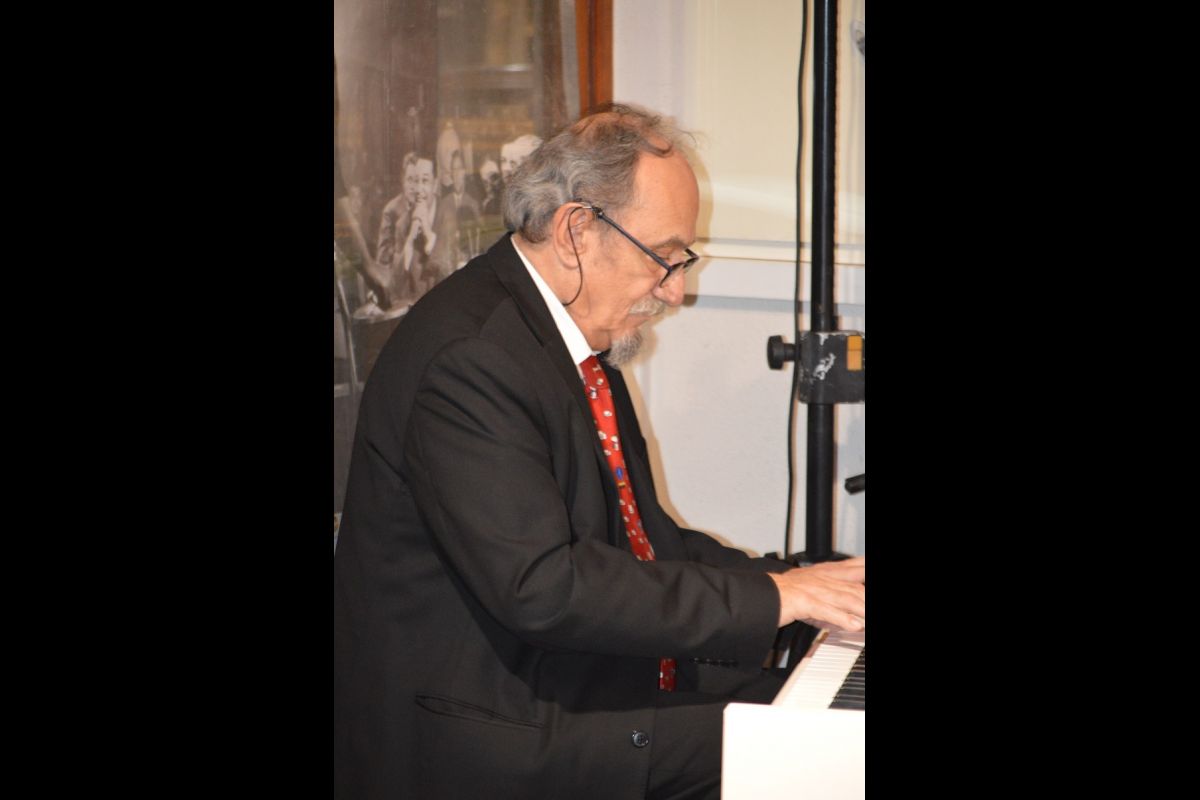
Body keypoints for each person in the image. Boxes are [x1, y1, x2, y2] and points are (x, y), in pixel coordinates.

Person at [333, 104, 865, 800]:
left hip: (563, 679)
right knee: (822, 753)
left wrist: (800, 581)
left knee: (812, 723)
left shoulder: (569, 335)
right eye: (663, 257)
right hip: (486, 727)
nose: (676, 290)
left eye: (682, 259)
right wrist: (775, 599)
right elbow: (544, 588)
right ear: (576, 230)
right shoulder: (472, 358)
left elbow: (647, 542)